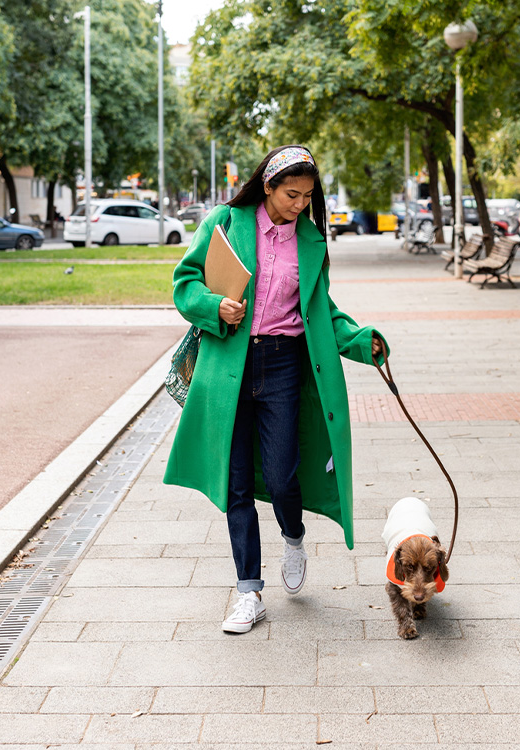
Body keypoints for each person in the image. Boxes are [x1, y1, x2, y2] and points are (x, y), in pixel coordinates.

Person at [164, 145, 387, 633]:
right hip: (229, 366)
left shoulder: (311, 241)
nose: (300, 205)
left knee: (284, 475)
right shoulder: (226, 222)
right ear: (267, 186)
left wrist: (359, 340)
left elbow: (321, 309)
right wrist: (213, 306)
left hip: (285, 366)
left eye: (308, 197)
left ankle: (293, 535)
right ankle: (249, 593)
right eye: (292, 194)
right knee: (236, 483)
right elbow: (184, 281)